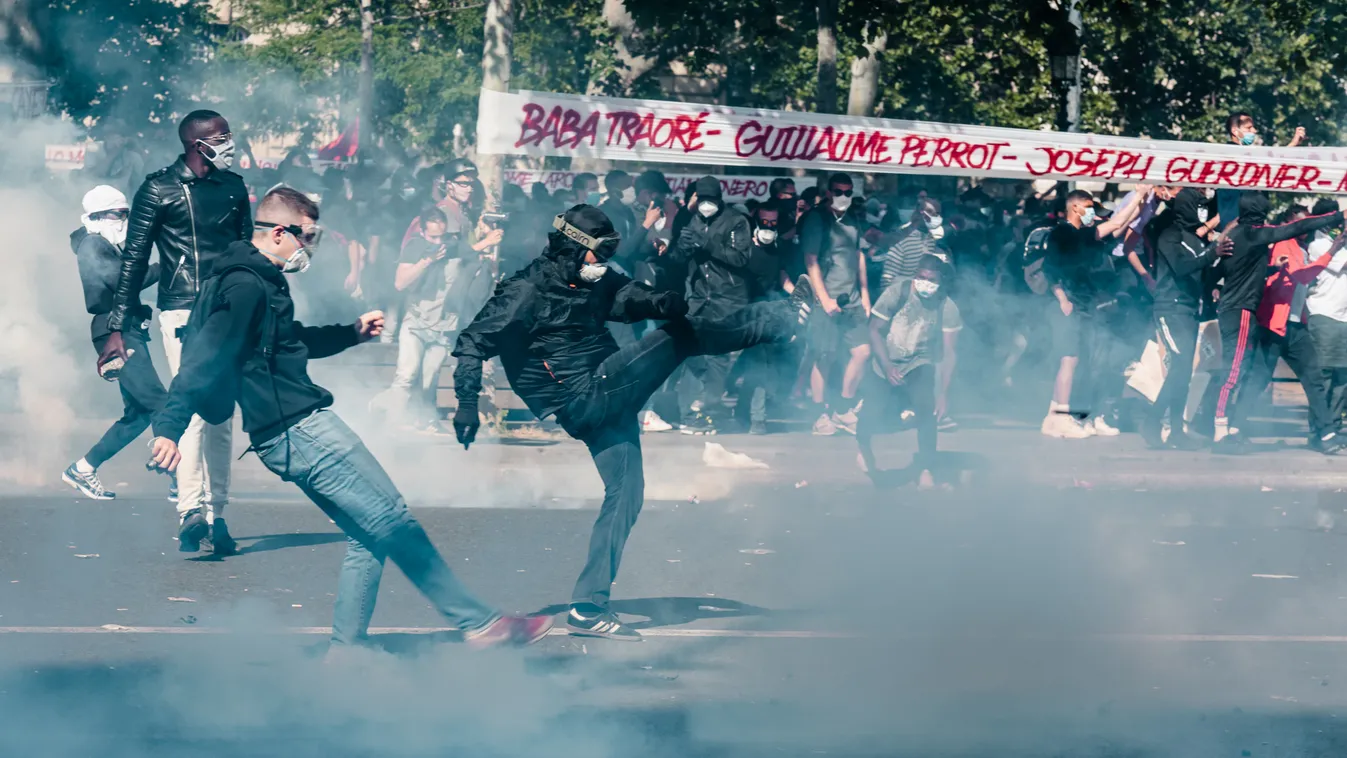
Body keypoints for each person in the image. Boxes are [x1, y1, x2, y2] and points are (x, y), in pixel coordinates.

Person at [145, 187, 553, 650]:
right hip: (296, 429)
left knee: (369, 532)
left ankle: (346, 654)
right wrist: (169, 427)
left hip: (291, 427)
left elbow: (286, 342)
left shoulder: (254, 277)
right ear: (279, 231)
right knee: (392, 517)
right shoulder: (245, 285)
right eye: (309, 237)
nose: (312, 249)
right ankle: (479, 624)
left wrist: (351, 334)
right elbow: (204, 357)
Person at [451, 205, 816, 640]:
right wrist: (467, 403)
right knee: (677, 339)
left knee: (627, 495)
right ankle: (780, 322)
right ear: (572, 247)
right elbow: (472, 342)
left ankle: (588, 607)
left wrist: (663, 301)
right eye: (598, 252)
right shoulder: (526, 290)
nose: (603, 262)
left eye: (611, 252)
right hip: (584, 396)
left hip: (610, 398)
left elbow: (628, 297)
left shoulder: (596, 278)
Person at [98, 109, 252, 554]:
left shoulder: (234, 186)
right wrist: (117, 326)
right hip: (182, 311)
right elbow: (133, 259)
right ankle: (190, 510)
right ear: (196, 143)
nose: (230, 143)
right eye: (222, 137)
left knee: (222, 414)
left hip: (229, 310)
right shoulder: (158, 188)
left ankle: (218, 514)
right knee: (192, 407)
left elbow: (246, 251)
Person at [1195, 193, 1342, 445]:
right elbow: (1298, 236)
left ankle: (1324, 433)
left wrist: (1272, 269)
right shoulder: (1258, 235)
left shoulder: (1240, 236)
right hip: (1256, 317)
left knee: (1259, 375)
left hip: (1270, 318)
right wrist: (1338, 223)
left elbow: (1233, 270)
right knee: (1238, 375)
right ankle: (1222, 428)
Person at [62, 186, 170, 500]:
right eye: (119, 214)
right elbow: (127, 281)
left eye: (126, 213)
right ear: (99, 215)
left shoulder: (100, 243)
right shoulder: (93, 244)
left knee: (139, 414)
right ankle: (181, 477)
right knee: (159, 402)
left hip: (122, 329)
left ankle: (83, 469)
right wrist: (167, 265)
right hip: (116, 332)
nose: (124, 220)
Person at [1040, 188, 1147, 439]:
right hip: (1068, 306)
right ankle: (1060, 417)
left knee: (1078, 361)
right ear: (1075, 208)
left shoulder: (1084, 234)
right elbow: (1049, 270)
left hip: (1083, 306)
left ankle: (1058, 417)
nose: (1092, 212)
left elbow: (1119, 223)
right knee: (1069, 360)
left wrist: (1140, 200)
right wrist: (1062, 299)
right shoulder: (1061, 234)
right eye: (1088, 207)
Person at [1238, 207, 1345, 453]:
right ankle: (1235, 428)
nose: (1306, 227)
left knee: (1314, 378)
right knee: (1258, 380)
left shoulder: (1302, 248)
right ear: (1289, 223)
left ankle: (1325, 434)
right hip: (1274, 324)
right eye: (1301, 222)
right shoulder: (1284, 243)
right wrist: (1333, 250)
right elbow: (1302, 276)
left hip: (1295, 324)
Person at [857, 255, 960, 489]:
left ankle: (926, 467)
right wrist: (887, 366)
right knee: (869, 415)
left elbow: (950, 352)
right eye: (921, 278)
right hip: (884, 361)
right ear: (915, 276)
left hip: (919, 362)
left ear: (940, 281)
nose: (925, 283)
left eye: (931, 280)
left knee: (926, 411)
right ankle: (864, 450)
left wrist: (944, 393)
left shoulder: (947, 306)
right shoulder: (897, 293)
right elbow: (874, 330)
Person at [1144, 188, 1232, 449]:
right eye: (1199, 206)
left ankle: (1175, 432)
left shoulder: (1198, 238)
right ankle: (1151, 421)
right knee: (1181, 365)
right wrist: (1212, 254)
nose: (1203, 212)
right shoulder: (1170, 235)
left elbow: (1203, 273)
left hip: (1190, 310)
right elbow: (1182, 267)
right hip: (1169, 309)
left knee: (1183, 373)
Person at [369, 206, 471, 429]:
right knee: (406, 376)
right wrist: (427, 261)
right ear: (423, 232)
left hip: (444, 325)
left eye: (441, 236)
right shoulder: (415, 248)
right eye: (432, 237)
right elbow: (400, 282)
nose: (437, 241)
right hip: (416, 323)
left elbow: (473, 253)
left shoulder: (453, 247)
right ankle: (390, 419)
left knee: (429, 379)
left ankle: (425, 420)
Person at [667, 175, 754, 434]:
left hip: (727, 298)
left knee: (717, 357)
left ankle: (708, 410)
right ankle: (691, 413)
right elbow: (676, 260)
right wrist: (680, 248)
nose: (706, 205)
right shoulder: (692, 220)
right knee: (690, 352)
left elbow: (741, 258)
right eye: (701, 200)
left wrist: (706, 243)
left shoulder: (736, 221)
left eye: (710, 200)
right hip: (698, 298)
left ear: (719, 199)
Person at [799, 173, 871, 436]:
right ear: (828, 192)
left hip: (851, 299)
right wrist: (824, 298)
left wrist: (865, 294)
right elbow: (811, 260)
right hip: (826, 299)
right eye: (838, 191)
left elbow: (859, 255)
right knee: (824, 356)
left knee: (862, 352)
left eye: (848, 191)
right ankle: (820, 415)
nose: (843, 196)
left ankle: (842, 408)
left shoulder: (852, 219)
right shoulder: (817, 220)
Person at [1305, 201, 1347, 430]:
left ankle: (1333, 426)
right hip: (1324, 315)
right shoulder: (1319, 244)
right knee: (1324, 376)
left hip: (1343, 318)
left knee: (1343, 377)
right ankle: (1319, 429)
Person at [880, 197, 946, 287]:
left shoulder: (930, 239)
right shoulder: (901, 239)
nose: (935, 217)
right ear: (920, 212)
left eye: (937, 214)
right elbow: (887, 280)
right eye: (931, 212)